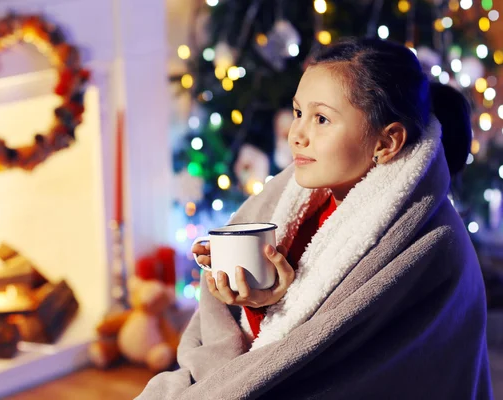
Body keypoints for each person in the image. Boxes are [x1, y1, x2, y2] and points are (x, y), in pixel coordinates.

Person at [137, 37, 493, 399]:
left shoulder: (430, 244)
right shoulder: (299, 196)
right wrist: (255, 301)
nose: (297, 135)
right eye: (297, 113)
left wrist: (278, 306)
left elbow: (324, 366)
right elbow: (272, 340)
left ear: (386, 143)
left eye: (321, 119)